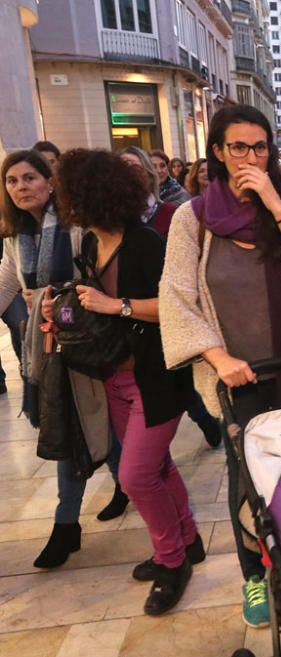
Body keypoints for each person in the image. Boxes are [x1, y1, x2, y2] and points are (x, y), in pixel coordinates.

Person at [160, 104, 281, 628]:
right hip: (240, 376)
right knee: (249, 482)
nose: (251, 157)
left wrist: (280, 210)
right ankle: (256, 577)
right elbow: (176, 297)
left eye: (260, 147)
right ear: (218, 152)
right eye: (239, 147)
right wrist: (218, 358)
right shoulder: (192, 218)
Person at [45, 148, 200, 616]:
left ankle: (172, 561)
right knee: (156, 468)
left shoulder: (147, 243)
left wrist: (118, 305)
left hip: (157, 377)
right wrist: (61, 311)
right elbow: (91, 304)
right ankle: (188, 540)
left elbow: (177, 309)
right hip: (113, 375)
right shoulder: (90, 245)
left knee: (134, 475)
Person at [1, 149, 130, 567]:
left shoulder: (75, 229)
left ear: (50, 181)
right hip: (44, 350)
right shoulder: (13, 239)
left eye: (29, 178)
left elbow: (92, 281)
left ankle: (65, 525)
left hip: (82, 343)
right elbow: (5, 285)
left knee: (73, 428)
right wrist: (36, 300)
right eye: (12, 181)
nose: (21, 187)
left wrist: (57, 302)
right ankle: (127, 481)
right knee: (92, 427)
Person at [120, 147, 222, 449]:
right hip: (137, 326)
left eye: (136, 168)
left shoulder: (174, 213)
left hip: (172, 315)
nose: (129, 174)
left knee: (183, 385)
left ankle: (206, 419)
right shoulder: (115, 224)